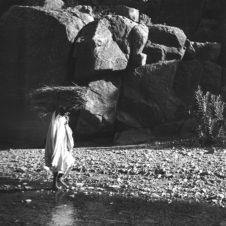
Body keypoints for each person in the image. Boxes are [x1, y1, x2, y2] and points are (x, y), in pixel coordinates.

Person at [45, 107, 75, 190]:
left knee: (70, 161)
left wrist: (66, 122)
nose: (68, 113)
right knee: (57, 162)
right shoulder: (56, 117)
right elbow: (55, 130)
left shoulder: (63, 118)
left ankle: (59, 178)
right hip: (57, 144)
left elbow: (67, 130)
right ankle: (54, 184)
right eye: (66, 111)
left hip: (63, 144)